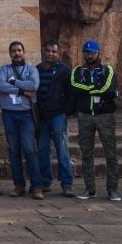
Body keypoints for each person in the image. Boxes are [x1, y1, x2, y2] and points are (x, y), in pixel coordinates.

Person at [71, 40, 120, 201]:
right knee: (86, 153)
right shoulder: (77, 70)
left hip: (105, 115)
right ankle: (89, 189)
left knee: (110, 153)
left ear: (99, 53)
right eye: (86, 52)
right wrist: (95, 89)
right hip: (85, 116)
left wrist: (88, 90)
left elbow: (108, 88)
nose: (89, 55)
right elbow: (74, 87)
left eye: (92, 52)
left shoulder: (108, 69)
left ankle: (112, 189)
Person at [0, 41, 44, 199]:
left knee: (29, 149)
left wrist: (14, 82)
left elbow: (34, 85)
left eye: (19, 50)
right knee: (13, 150)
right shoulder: (4, 69)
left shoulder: (32, 69)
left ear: (24, 52)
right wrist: (22, 91)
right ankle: (19, 185)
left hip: (26, 114)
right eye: (13, 51)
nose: (17, 53)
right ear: (10, 54)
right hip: (9, 114)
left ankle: (37, 186)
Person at [35, 39, 75, 197]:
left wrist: (66, 112)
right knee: (43, 150)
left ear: (58, 54)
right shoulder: (37, 69)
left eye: (54, 52)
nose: (50, 54)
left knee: (62, 150)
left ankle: (67, 184)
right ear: (43, 51)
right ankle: (45, 182)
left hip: (58, 115)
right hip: (42, 116)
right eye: (48, 51)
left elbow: (71, 94)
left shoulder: (65, 70)